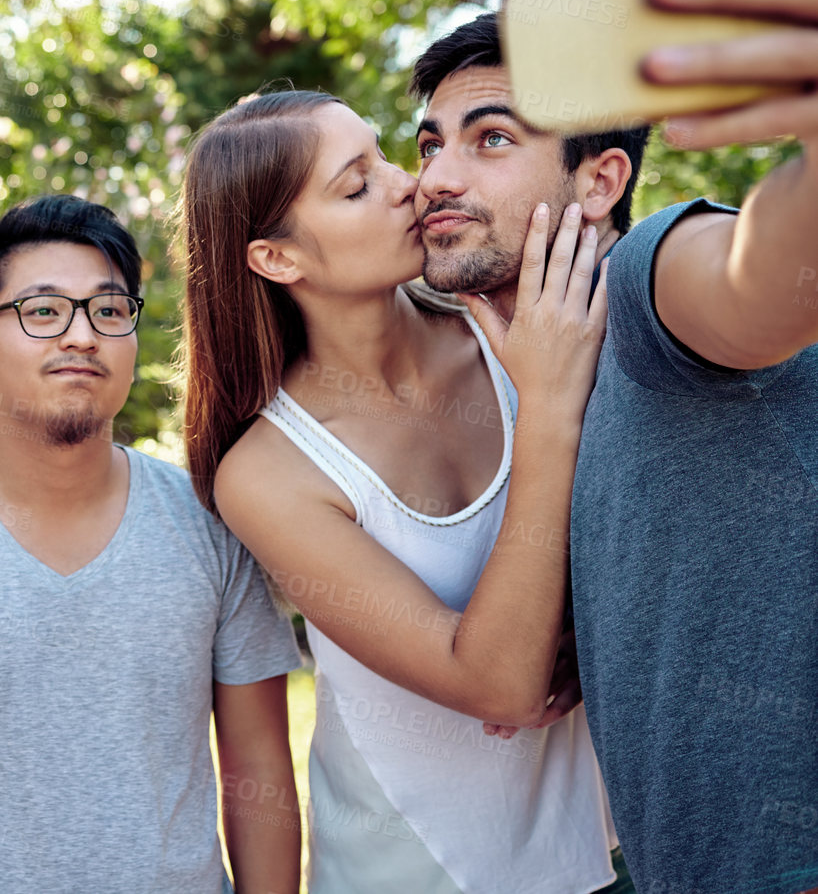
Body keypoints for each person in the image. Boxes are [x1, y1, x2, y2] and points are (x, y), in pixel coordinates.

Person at [410, 0, 818, 894]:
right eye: (426, 144)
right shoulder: (534, 384)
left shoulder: (645, 276)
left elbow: (762, 279)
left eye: (490, 138)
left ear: (599, 183)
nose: (437, 177)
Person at [182, 89, 625, 894]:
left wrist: (583, 638)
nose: (408, 184)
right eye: (356, 185)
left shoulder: (516, 319)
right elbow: (498, 683)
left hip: (609, 849)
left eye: (389, 155)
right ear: (278, 258)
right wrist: (550, 414)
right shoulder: (269, 472)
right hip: (417, 870)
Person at [0, 194, 303, 894]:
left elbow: (259, 763)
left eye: (109, 310)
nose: (81, 335)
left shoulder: (212, 523)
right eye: (43, 311)